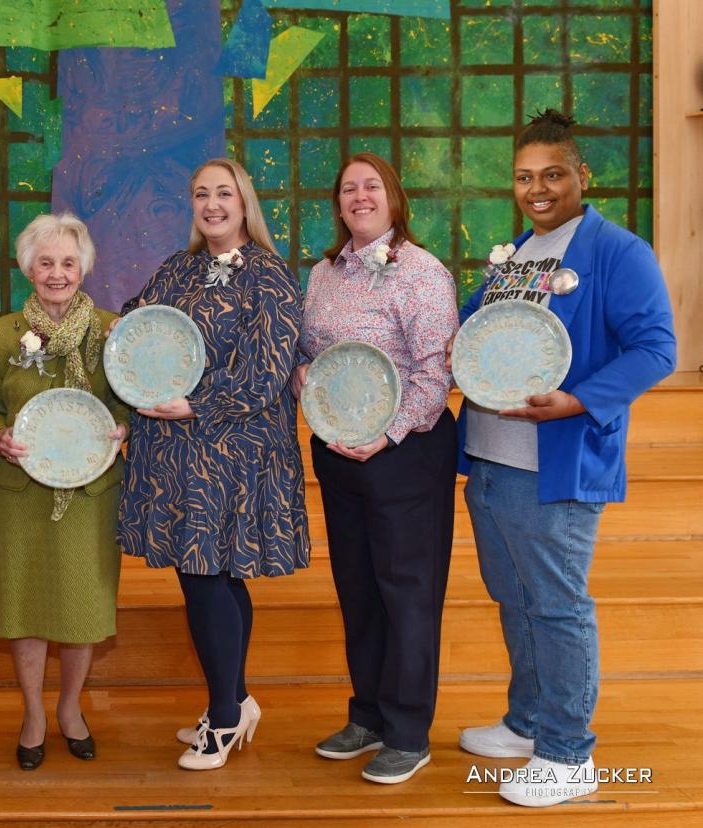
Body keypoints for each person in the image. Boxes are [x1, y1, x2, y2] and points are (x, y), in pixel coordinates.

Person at [454, 110, 676, 807]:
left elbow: (656, 349)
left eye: (553, 174)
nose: (537, 188)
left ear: (583, 175)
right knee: (514, 598)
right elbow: (469, 336)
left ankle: (568, 754)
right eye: (524, 177)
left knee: (555, 606)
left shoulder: (618, 252)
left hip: (557, 465)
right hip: (490, 460)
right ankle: (527, 724)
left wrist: (578, 401)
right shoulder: (515, 253)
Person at [118, 158, 310, 771]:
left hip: (235, 451)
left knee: (208, 576)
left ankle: (223, 722)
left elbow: (265, 373)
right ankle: (235, 700)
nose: (212, 204)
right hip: (176, 452)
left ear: (244, 201)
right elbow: (139, 323)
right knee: (216, 576)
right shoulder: (178, 267)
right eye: (201, 194)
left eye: (223, 193)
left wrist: (194, 402)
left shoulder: (270, 276)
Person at [292, 152, 458, 784]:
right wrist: (302, 373)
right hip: (338, 452)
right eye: (348, 189)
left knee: (408, 592)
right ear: (337, 206)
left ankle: (409, 732)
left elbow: (433, 371)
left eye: (371, 187)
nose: (360, 197)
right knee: (359, 587)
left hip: (407, 452)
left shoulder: (421, 272)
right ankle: (368, 715)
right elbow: (306, 352)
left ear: (393, 198)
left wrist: (386, 435)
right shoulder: (323, 273)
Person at [0, 213, 128, 770]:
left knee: (82, 604)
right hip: (22, 492)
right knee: (24, 603)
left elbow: (126, 401)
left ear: (83, 267)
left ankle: (69, 709)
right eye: (46, 262)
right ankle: (33, 714)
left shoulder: (112, 331)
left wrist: (123, 428)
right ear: (28, 268)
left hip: (91, 489)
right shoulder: (0, 334)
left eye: (68, 262)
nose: (58, 273)